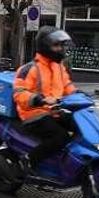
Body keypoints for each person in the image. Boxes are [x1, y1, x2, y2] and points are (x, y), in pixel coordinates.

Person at [13, 26, 77, 170]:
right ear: (45, 46)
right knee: (60, 137)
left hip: (54, 111)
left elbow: (67, 86)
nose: (61, 48)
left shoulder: (59, 67)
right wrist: (38, 99)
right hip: (34, 114)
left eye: (62, 45)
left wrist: (79, 95)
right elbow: (19, 93)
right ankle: (29, 160)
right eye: (56, 45)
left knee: (80, 126)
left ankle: (64, 159)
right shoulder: (30, 69)